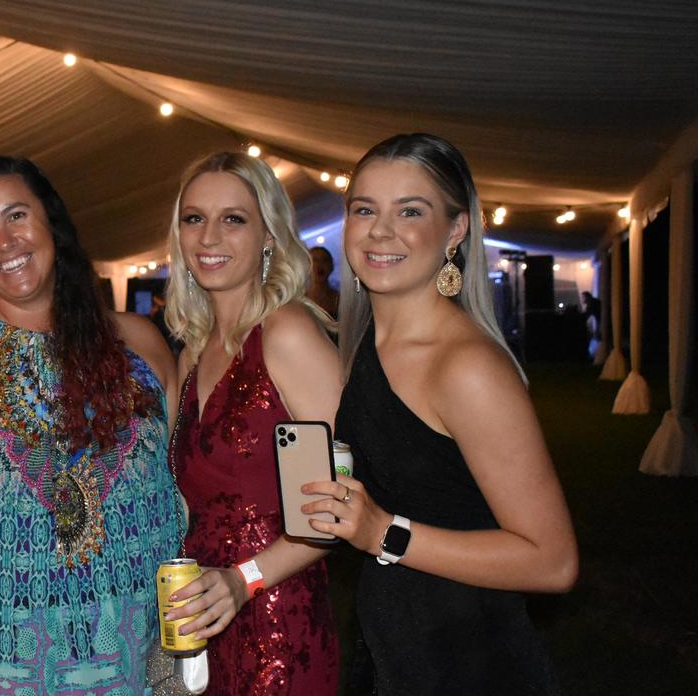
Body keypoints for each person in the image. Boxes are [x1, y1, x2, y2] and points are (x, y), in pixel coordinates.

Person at [304, 133, 578, 694]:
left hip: (471, 661)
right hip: (395, 646)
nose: (380, 231)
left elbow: (553, 562)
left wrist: (385, 532)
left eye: (410, 211)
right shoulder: (367, 347)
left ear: (456, 229)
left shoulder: (467, 368)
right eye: (364, 209)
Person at [0, 156, 181, 694]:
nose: (3, 242)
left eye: (16, 216)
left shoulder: (139, 343)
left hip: (139, 653)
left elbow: (173, 485)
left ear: (52, 221)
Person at [159, 152, 340, 694]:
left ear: (269, 235)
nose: (209, 237)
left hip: (280, 623)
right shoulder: (193, 353)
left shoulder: (286, 336)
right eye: (194, 218)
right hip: (201, 616)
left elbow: (339, 502)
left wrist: (245, 580)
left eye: (232, 219)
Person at [307, 246, 341, 319]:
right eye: (315, 260)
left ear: (331, 266)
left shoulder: (339, 299)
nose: (320, 264)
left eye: (325, 260)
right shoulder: (301, 300)